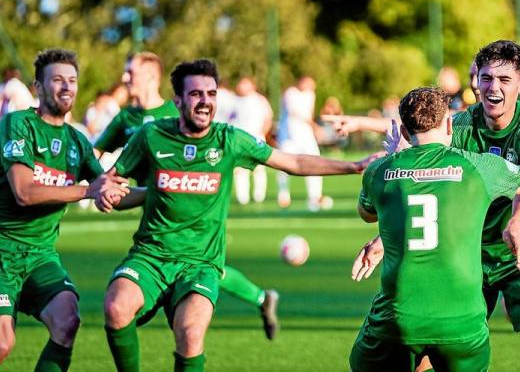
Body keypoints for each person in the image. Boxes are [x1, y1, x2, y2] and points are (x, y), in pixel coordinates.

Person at [102, 59, 379, 372]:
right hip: (150, 256)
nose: (205, 101)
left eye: (211, 93)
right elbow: (112, 183)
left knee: (191, 334)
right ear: (177, 100)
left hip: (201, 263)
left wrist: (353, 166)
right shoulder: (150, 136)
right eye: (195, 94)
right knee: (116, 307)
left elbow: (294, 163)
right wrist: (107, 193)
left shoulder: (229, 140)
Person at [350, 87, 520, 372]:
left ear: (402, 130)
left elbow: (367, 212)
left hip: (395, 321)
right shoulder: (479, 167)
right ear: (450, 125)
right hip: (463, 325)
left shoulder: (379, 172)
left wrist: (397, 164)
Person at [93, 53, 282, 339]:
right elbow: (96, 163)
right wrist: (89, 186)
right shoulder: (127, 119)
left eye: (131, 72)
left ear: (153, 77)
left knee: (202, 271)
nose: (124, 78)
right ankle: (260, 298)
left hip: (194, 205)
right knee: (140, 290)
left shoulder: (180, 111)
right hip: (153, 209)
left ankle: (259, 298)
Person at [0, 49, 129, 371]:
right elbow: (24, 192)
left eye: (72, 80)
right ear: (38, 87)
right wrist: (87, 190)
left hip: (40, 255)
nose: (66, 87)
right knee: (3, 342)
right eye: (57, 80)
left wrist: (161, 191)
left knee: (67, 320)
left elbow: (109, 191)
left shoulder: (76, 140)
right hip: (1, 251)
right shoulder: (18, 124)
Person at [276, 76, 332, 211]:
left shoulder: (310, 95)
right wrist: (316, 127)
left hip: (306, 137)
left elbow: (309, 114)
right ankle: (283, 195)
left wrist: (313, 129)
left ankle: (315, 197)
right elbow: (297, 114)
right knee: (283, 166)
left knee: (316, 164)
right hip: (289, 137)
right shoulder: (291, 93)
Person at [223, 77, 273, 205]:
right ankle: (242, 198)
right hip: (239, 140)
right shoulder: (235, 101)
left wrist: (262, 133)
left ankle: (259, 195)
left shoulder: (260, 100)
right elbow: (229, 120)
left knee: (259, 168)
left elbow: (268, 118)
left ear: (252, 85)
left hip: (257, 138)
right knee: (240, 169)